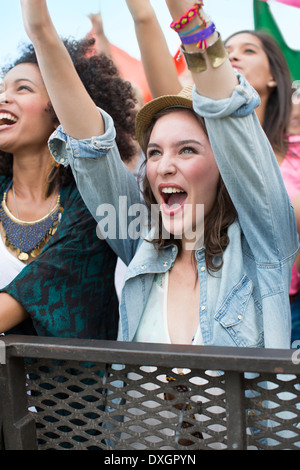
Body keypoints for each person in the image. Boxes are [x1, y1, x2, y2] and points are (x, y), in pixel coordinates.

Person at [23, 0, 296, 349]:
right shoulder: (139, 237)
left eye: (187, 150)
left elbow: (227, 109)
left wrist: (184, 12)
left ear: (225, 164)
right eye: (154, 152)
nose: (164, 165)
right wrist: (41, 33)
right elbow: (89, 147)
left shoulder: (264, 243)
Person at [0, 4, 138, 339]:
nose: (4, 98)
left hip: (69, 390)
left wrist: (39, 27)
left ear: (60, 110)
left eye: (22, 88)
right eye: (2, 89)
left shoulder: (93, 209)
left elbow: (39, 288)